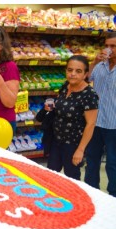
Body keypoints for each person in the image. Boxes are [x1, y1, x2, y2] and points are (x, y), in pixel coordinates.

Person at [47, 55, 98, 181]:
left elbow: (90, 124)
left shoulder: (89, 95)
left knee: (72, 180)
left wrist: (80, 150)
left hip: (73, 145)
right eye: (70, 70)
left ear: (86, 74)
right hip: (56, 141)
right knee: (51, 177)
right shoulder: (66, 86)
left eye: (78, 71)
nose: (73, 74)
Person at [85, 32, 116, 197]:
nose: (109, 49)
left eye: (113, 46)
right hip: (95, 122)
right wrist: (94, 61)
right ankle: (92, 192)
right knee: (92, 159)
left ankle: (113, 197)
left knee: (113, 163)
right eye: (107, 45)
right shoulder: (100, 66)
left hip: (114, 124)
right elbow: (86, 78)